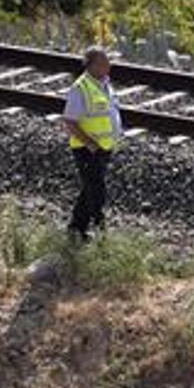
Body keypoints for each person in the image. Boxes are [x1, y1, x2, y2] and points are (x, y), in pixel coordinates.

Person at [63, 46, 123, 243]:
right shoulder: (80, 88)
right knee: (97, 192)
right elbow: (70, 122)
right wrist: (90, 144)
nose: (109, 65)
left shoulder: (104, 84)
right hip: (87, 150)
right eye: (105, 62)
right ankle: (101, 233)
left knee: (89, 190)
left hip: (103, 149)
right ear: (93, 65)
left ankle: (75, 229)